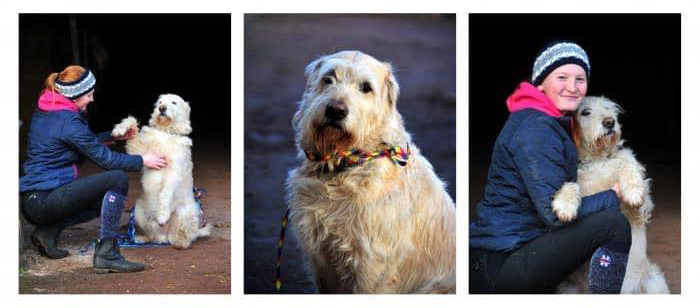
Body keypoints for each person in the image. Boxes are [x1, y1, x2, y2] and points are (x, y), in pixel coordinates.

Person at [469, 42, 632, 293]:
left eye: (580, 79)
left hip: (512, 249)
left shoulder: (544, 120)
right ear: (541, 83)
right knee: (613, 224)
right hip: (499, 263)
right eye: (562, 77)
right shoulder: (536, 128)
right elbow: (555, 214)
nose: (572, 87)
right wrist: (614, 195)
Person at [20, 65, 167, 273]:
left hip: (37, 199)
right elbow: (106, 160)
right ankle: (107, 254)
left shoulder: (51, 109)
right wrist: (142, 159)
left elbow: (81, 143)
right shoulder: (68, 121)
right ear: (75, 95)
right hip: (44, 200)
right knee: (116, 179)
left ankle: (48, 231)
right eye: (88, 95)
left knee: (106, 201)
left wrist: (112, 137)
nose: (92, 99)